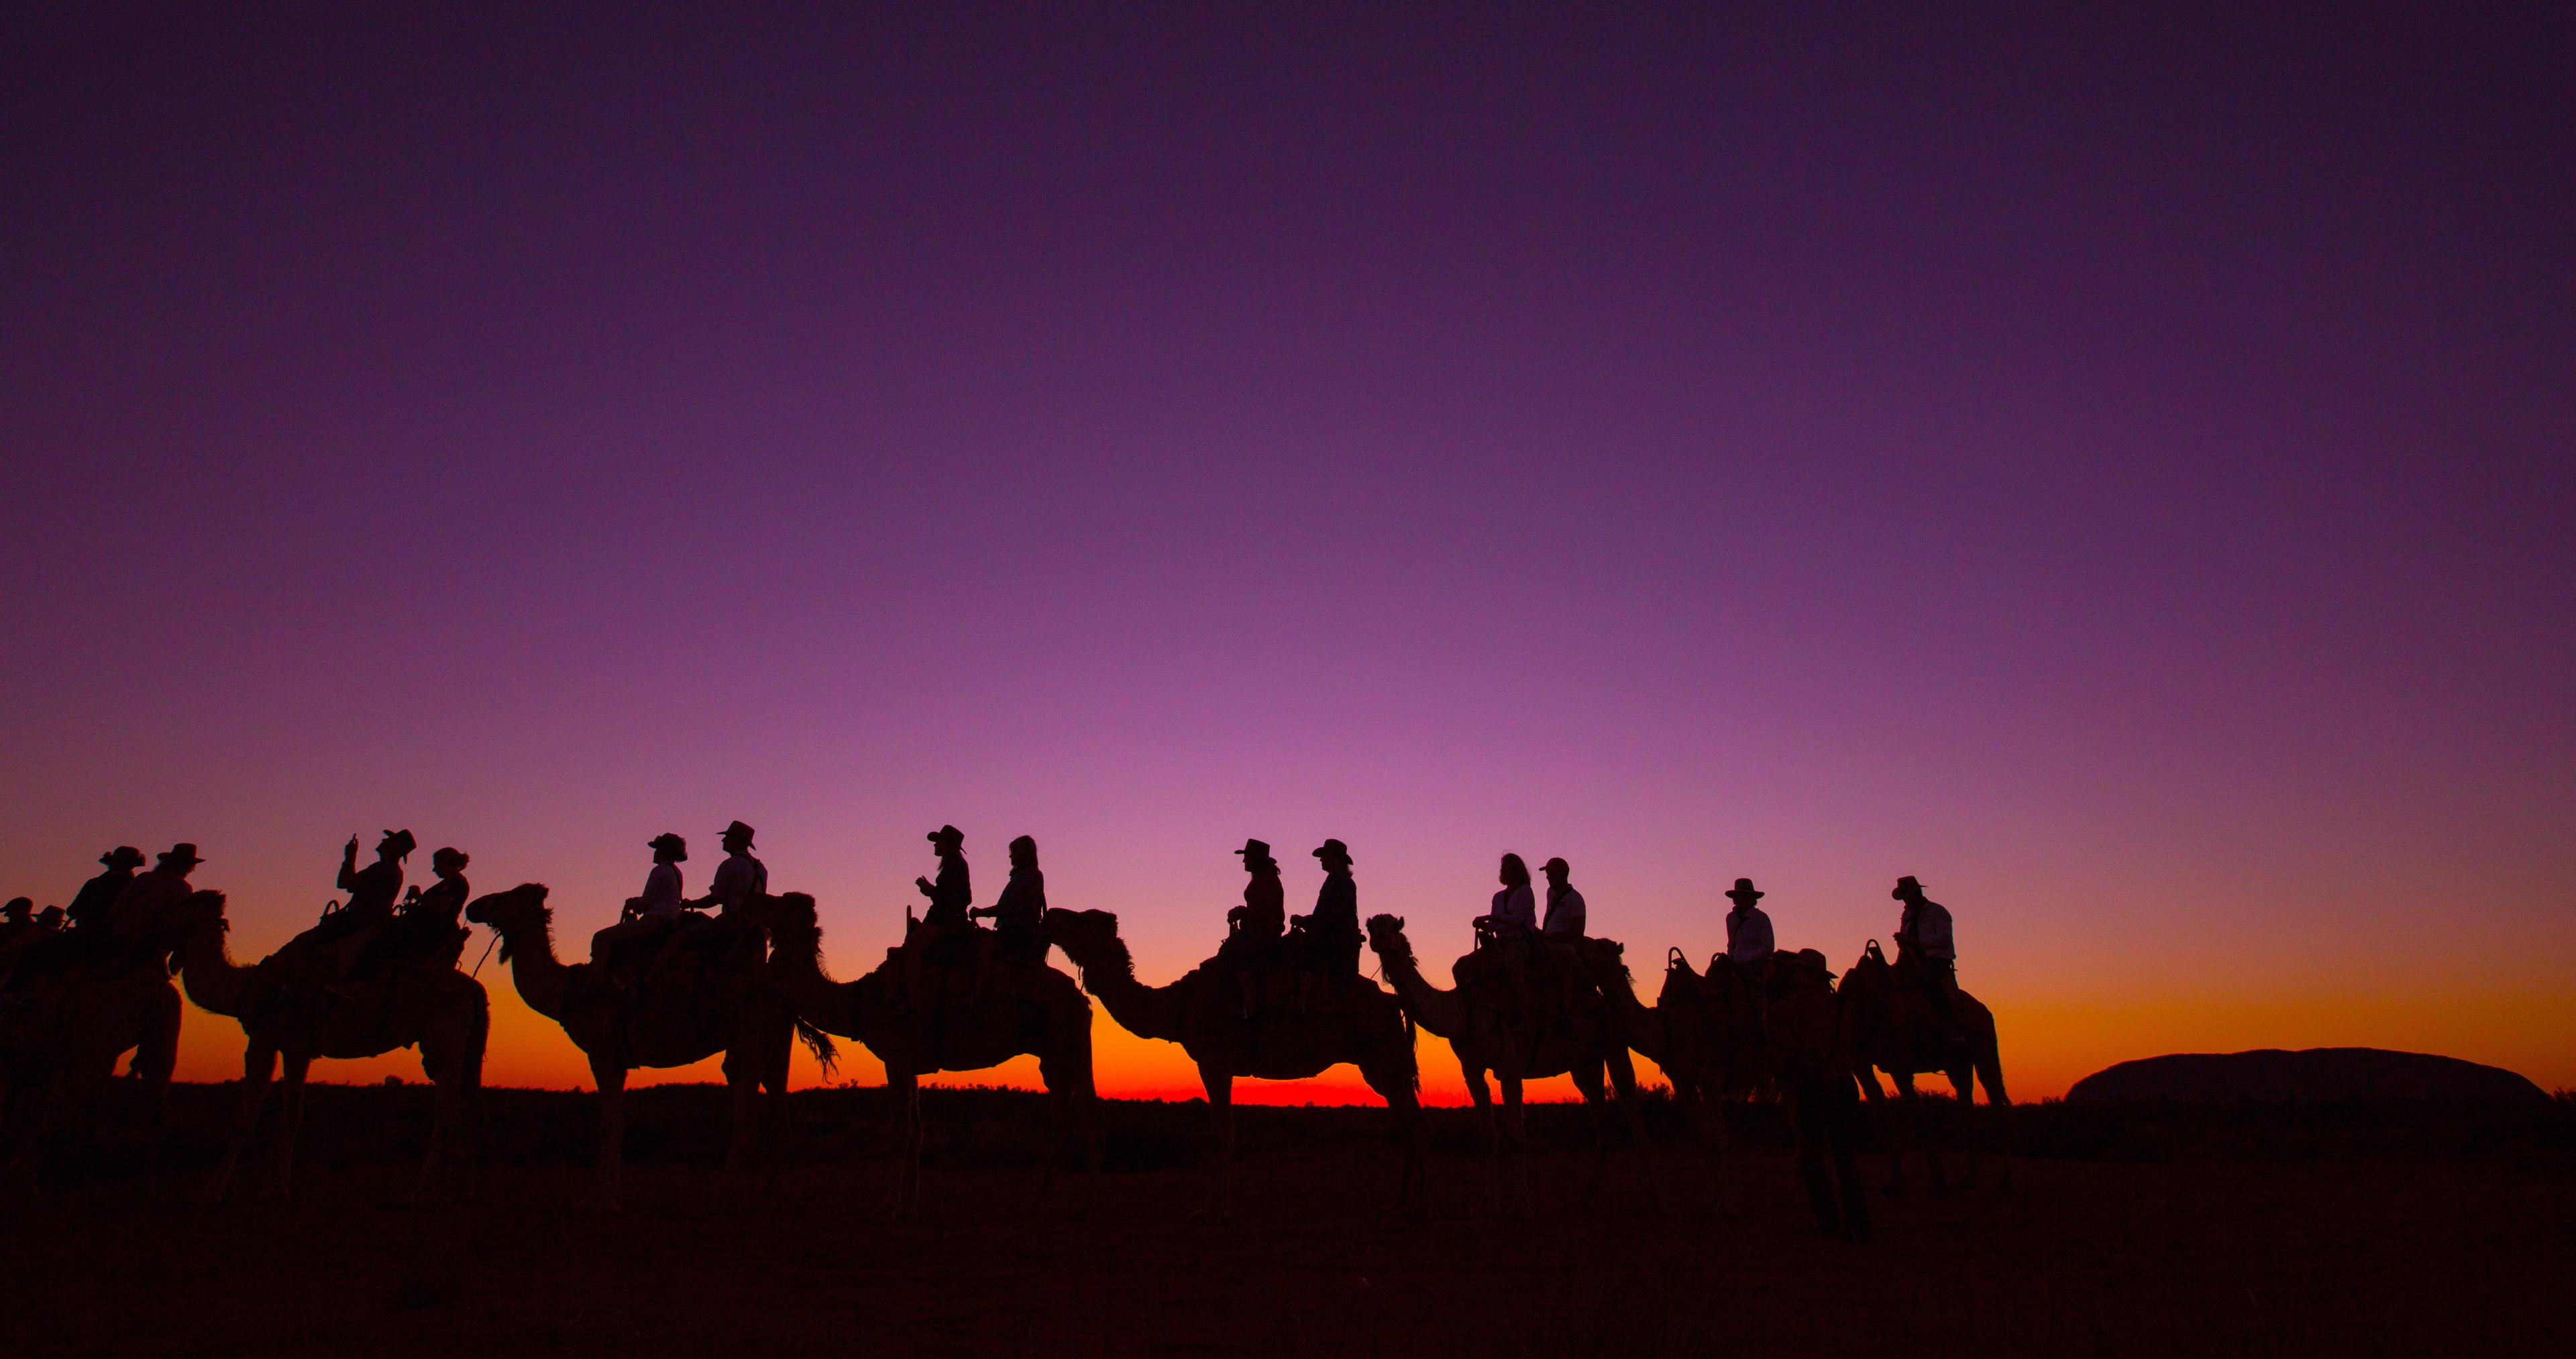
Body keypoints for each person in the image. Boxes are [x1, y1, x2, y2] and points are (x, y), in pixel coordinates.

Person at [590, 832, 687, 969]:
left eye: (657, 850)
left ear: (663, 851)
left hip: (654, 922)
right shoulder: (677, 872)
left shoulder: (659, 870)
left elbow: (646, 903)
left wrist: (632, 903)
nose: (655, 853)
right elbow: (660, 897)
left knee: (600, 938)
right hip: (670, 920)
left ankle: (598, 981)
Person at [1220, 838, 1285, 1018]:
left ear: (1255, 859)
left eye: (1247, 857)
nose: (1244, 861)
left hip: (1263, 935)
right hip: (1257, 932)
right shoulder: (1265, 878)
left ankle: (1250, 1009)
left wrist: (1244, 913)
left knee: (1239, 959)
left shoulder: (1268, 880)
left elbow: (1267, 913)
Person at [1472, 854, 1539, 1018]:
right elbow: (1494, 926)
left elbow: (1517, 920)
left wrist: (1491, 918)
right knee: (1470, 965)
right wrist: (1484, 925)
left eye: (1507, 868)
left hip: (1520, 941)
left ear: (1517, 871)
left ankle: (1525, 1014)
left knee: (1512, 967)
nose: (1504, 871)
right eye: (1503, 868)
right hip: (1500, 941)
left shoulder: (1525, 892)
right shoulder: (1498, 897)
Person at [1892, 875, 1960, 1035]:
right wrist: (1903, 942)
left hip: (1936, 963)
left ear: (1916, 894)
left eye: (1906, 897)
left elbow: (1944, 939)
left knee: (1939, 992)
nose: (1905, 902)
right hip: (1908, 961)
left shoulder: (1938, 912)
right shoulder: (1907, 914)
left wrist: (1915, 941)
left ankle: (1952, 1030)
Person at [969, 834, 1048, 965]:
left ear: (1022, 853)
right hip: (1013, 932)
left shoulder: (1029, 876)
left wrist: (981, 912)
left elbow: (1010, 907)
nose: (1010, 856)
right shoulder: (1024, 876)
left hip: (1017, 934)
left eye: (1013, 852)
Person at [1293, 838, 1361, 973]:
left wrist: (1304, 921)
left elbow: (1330, 918)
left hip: (1333, 947)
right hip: (1333, 944)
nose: (1321, 860)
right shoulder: (1337, 881)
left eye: (1324, 856)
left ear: (1335, 859)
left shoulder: (1342, 883)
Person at [64, 846, 145, 934]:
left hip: (84, 933)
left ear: (112, 864)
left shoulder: (94, 883)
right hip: (113, 938)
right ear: (132, 866)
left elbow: (72, 911)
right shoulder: (135, 887)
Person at [916, 825, 971, 931]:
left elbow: (949, 898)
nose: (935, 844)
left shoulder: (954, 865)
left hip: (943, 922)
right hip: (945, 920)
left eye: (938, 841)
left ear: (947, 844)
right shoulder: (956, 864)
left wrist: (930, 889)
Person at [1723, 878, 1774, 975]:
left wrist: (1747, 958)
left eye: (1747, 896)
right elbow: (1731, 943)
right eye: (1741, 895)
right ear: (1736, 898)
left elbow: (1768, 948)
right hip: (1735, 965)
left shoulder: (1761, 918)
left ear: (1752, 898)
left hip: (1755, 966)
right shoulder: (1731, 918)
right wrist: (1730, 960)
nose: (1744, 899)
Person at [1539, 857, 1586, 940]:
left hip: (1564, 948)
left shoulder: (1575, 898)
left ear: (1562, 874)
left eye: (1551, 873)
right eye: (1547, 873)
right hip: (1548, 945)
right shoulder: (1550, 893)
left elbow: (1578, 931)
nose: (1548, 877)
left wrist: (1551, 937)